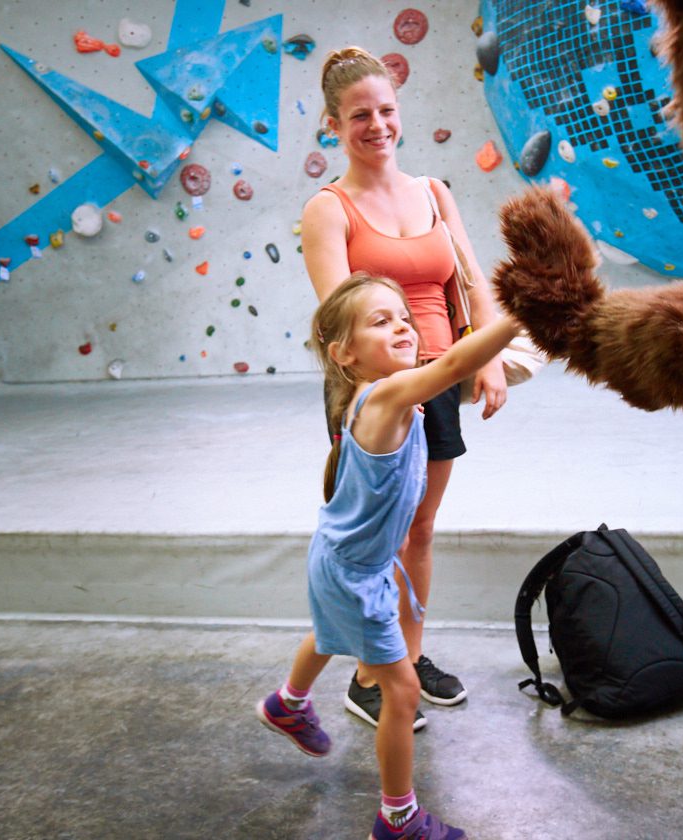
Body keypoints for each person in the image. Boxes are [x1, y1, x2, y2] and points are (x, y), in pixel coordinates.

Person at [256, 273, 520, 839]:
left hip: (339, 561)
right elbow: (451, 367)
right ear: (344, 354)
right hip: (354, 574)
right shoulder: (385, 396)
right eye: (381, 321)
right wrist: (520, 319)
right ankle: (398, 819)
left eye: (404, 316)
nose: (402, 325)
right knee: (400, 691)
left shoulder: (377, 395)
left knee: (328, 633)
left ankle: (288, 703)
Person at [300, 46, 508, 727]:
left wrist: (490, 357)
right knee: (376, 538)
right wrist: (400, 386)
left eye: (386, 110)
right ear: (334, 124)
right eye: (360, 115)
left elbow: (474, 282)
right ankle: (369, 673)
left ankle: (408, 659)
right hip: (378, 395)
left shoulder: (434, 192)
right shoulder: (328, 209)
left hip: (441, 376)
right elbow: (343, 314)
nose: (377, 125)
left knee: (419, 528)